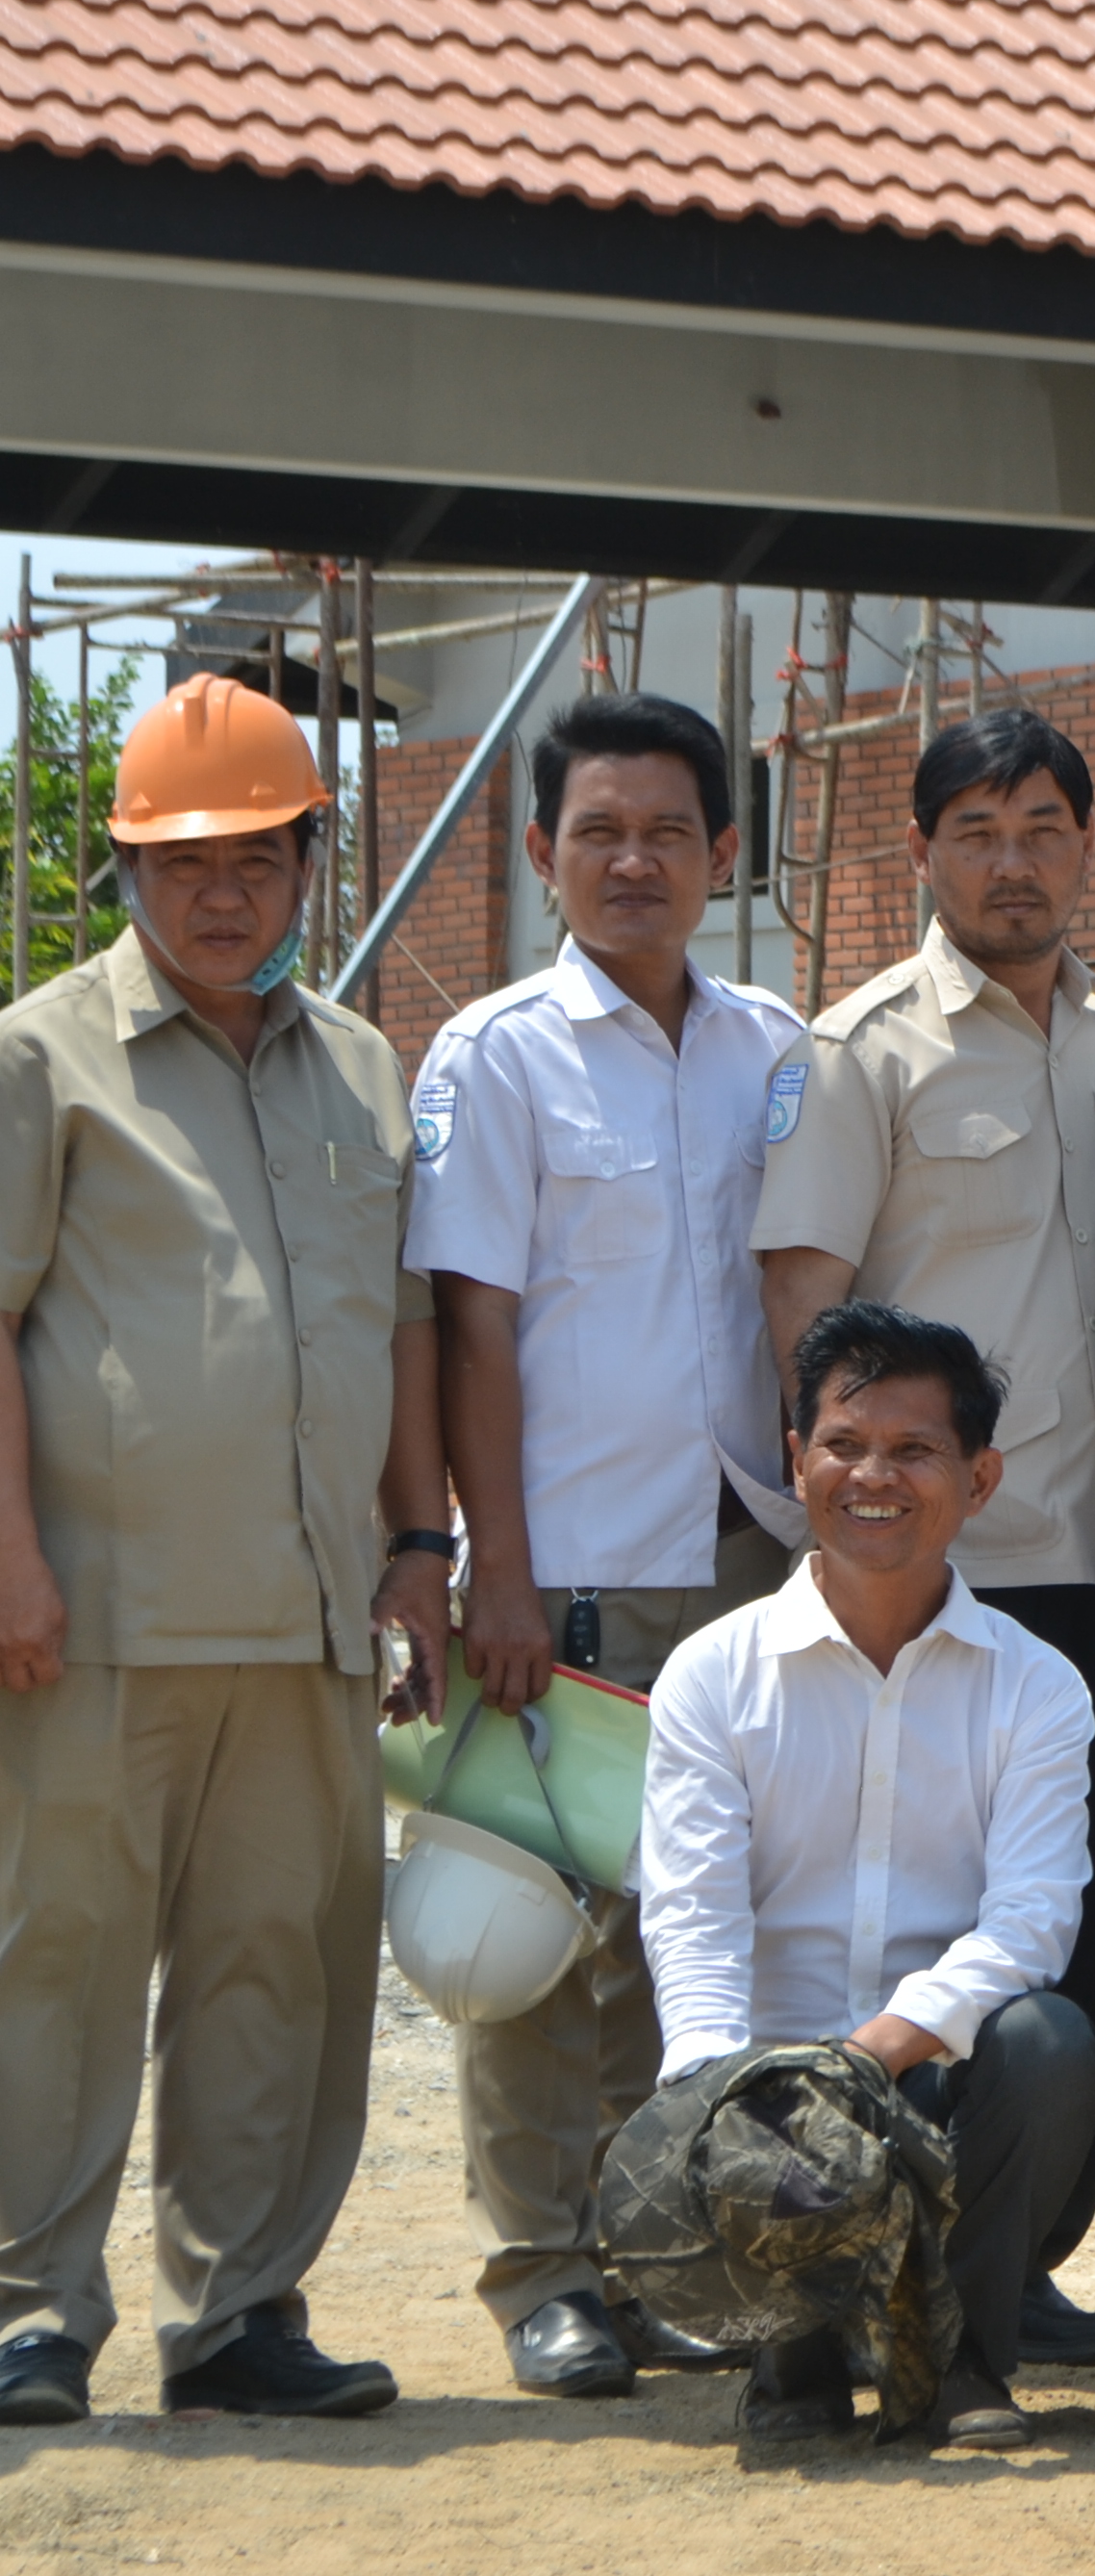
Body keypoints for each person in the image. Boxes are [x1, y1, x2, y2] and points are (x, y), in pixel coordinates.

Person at [0, 676, 449, 2429]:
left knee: (284, 1959)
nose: (219, 894)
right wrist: (9, 1558)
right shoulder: (41, 1054)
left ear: (310, 861)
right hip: (93, 1615)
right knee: (58, 1957)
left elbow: (398, 1331)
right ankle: (32, 2310)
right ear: (125, 869)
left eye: (254, 858)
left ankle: (239, 2309)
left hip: (313, 1615)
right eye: (180, 862)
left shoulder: (361, 1063)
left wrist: (419, 1544)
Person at [753, 706, 1095, 2373]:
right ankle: (862, 2256)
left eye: (1047, 827)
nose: (1017, 860)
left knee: (1073, 1929)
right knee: (920, 1917)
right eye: (979, 828)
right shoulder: (859, 1051)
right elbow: (808, 1309)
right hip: (945, 1580)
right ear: (920, 851)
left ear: (1090, 845)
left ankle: (1018, 2257)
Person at [402, 692, 802, 2402]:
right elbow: (469, 1328)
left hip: (743, 1554)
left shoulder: (776, 1044)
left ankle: (655, 2254)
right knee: (530, 1927)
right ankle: (542, 2271)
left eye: (666, 832)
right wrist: (493, 1559)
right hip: (565, 1558)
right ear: (542, 853)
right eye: (596, 832)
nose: (631, 859)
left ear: (725, 854)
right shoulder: (493, 1055)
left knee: (691, 1921)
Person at [639, 1302, 1095, 2453]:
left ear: (981, 1478)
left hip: (936, 2083)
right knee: (726, 2087)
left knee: (1049, 2042)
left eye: (915, 1450)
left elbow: (1032, 1927)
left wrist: (870, 2058)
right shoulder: (711, 1675)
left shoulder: (1039, 1688)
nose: (873, 1475)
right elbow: (691, 1923)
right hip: (771, 2092)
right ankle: (791, 2364)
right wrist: (719, 2105)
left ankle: (960, 2367)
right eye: (844, 1445)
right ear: (797, 1461)